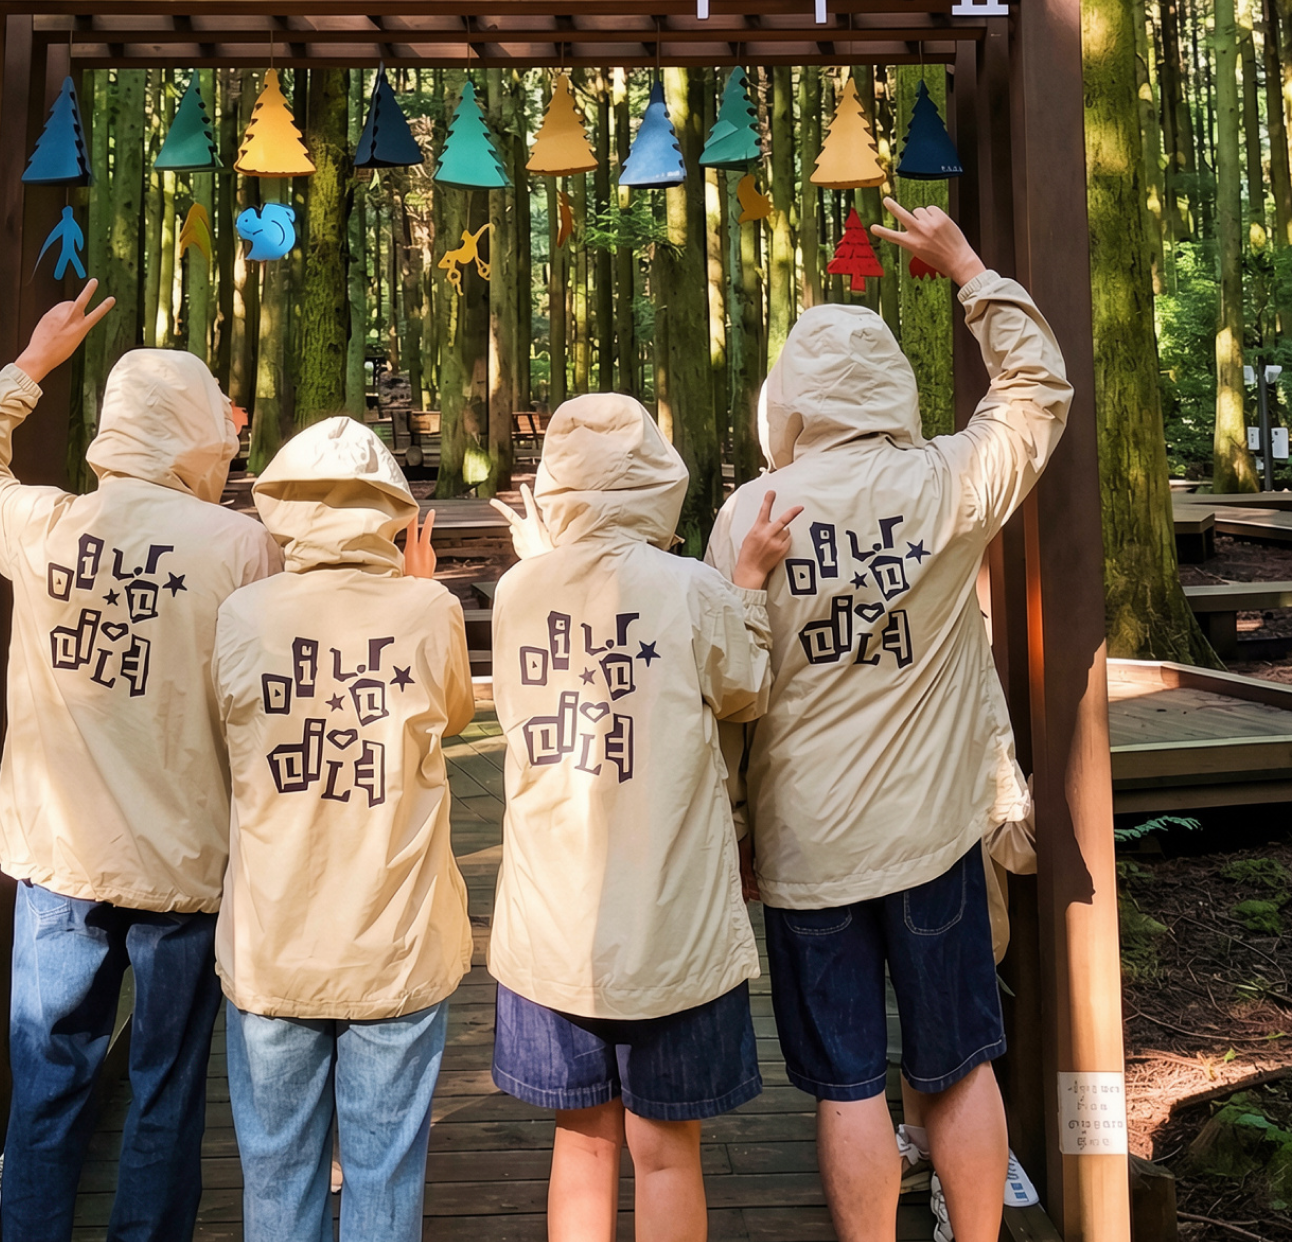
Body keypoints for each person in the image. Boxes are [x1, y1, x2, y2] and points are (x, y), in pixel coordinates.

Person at [707, 201, 1072, 1242]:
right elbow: (1037, 392)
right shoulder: (942, 483)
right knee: (958, 1062)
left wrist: (731, 824)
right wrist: (969, 271)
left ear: (789, 400)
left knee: (848, 1084)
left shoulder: (753, 514)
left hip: (807, 848)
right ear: (891, 387)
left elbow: (728, 683)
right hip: (933, 838)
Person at [0, 283, 281, 1242]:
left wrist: (31, 365)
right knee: (166, 1085)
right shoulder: (246, 548)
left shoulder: (46, 527)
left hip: (58, 858)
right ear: (194, 431)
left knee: (47, 1081)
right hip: (186, 864)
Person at [486, 393, 800, 1242]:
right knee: (666, 1150)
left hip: (552, 924)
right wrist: (745, 587)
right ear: (658, 477)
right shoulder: (694, 590)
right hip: (673, 921)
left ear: (556, 487)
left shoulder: (518, 589)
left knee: (581, 1145)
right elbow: (745, 689)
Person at [211, 417, 472, 1242]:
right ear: (390, 510)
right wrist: (413, 585)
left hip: (271, 946)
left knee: (276, 1177)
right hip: (392, 943)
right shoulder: (429, 609)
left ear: (281, 506)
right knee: (384, 1172)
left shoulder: (243, 614)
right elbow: (455, 713)